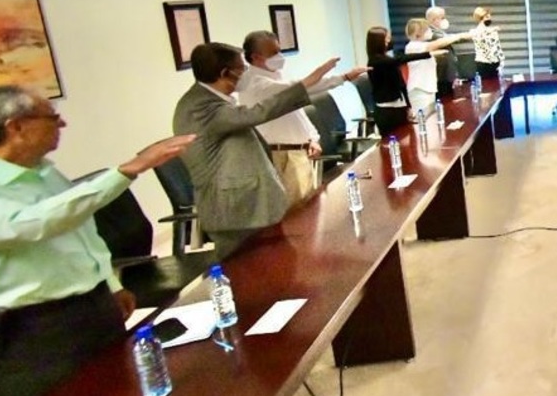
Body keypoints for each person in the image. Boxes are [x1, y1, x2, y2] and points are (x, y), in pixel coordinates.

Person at [0, 85, 194, 396]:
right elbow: (32, 224)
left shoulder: (41, 171)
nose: (63, 124)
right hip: (27, 334)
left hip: (89, 311)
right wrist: (127, 171)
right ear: (16, 127)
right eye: (53, 117)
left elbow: (82, 230)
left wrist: (109, 284)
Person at [173, 42, 341, 257]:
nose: (246, 72)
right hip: (234, 211)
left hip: (248, 206)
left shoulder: (211, 98)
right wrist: (307, 82)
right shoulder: (200, 107)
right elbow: (259, 112)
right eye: (241, 68)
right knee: (247, 269)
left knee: (277, 263)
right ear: (224, 73)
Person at [237, 30, 369, 207]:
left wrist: (312, 138)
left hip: (301, 152)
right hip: (282, 156)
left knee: (310, 208)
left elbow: (297, 113)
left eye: (279, 50)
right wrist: (328, 72)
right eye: (273, 53)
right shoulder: (255, 84)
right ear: (256, 57)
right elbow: (302, 87)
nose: (279, 56)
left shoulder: (276, 75)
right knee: (297, 212)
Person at [365, 26, 438, 136]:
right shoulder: (376, 61)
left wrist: (408, 106)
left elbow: (401, 84)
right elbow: (400, 59)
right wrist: (427, 54)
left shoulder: (386, 59)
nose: (389, 41)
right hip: (387, 111)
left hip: (399, 107)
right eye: (386, 39)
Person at [403, 19, 471, 116]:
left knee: (432, 118)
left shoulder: (421, 46)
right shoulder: (412, 46)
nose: (429, 32)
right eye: (426, 29)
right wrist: (459, 36)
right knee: (423, 119)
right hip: (420, 89)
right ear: (418, 32)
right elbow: (438, 43)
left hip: (429, 88)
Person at [426, 6, 461, 100]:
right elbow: (448, 40)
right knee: (444, 101)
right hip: (440, 76)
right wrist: (462, 36)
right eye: (442, 18)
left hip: (446, 76)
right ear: (433, 19)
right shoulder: (430, 33)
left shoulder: (440, 32)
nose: (445, 20)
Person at [469, 7, 505, 79]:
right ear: (480, 18)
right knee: (485, 84)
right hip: (482, 64)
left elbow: (497, 46)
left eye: (490, 17)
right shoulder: (474, 31)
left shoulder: (493, 32)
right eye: (487, 17)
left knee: (496, 84)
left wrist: (502, 60)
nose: (489, 19)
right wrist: (492, 29)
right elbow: (478, 34)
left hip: (495, 63)